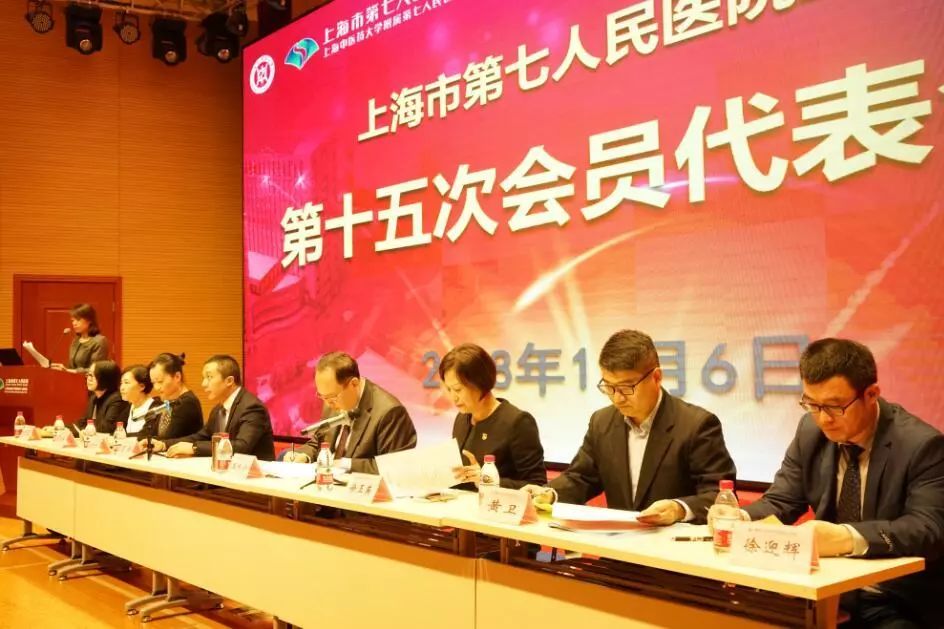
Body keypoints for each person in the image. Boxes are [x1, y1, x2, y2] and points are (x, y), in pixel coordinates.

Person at [712, 338, 944, 628]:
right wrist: (739, 518)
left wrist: (845, 537)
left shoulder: (921, 445)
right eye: (811, 404)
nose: (823, 419)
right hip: (821, 590)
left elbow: (928, 529)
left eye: (834, 407)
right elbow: (783, 499)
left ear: (871, 394)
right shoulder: (810, 430)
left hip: (890, 598)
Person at [523, 329, 736, 526]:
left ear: (656, 377)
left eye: (626, 387)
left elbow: (719, 496)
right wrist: (549, 493)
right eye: (609, 387)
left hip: (672, 548)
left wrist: (679, 509)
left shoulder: (696, 425)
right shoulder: (602, 422)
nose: (617, 398)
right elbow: (581, 477)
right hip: (618, 545)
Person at [284, 352, 416, 473]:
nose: (328, 404)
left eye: (332, 397)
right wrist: (304, 456)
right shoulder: (332, 398)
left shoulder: (389, 412)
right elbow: (319, 442)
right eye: (322, 396)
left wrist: (343, 464)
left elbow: (395, 468)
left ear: (354, 384)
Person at [439, 343, 546, 490]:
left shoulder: (518, 422)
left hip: (498, 504)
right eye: (449, 389)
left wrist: (488, 480)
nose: (453, 397)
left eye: (458, 389)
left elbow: (538, 485)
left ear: (480, 382)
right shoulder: (461, 419)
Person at [147, 355, 275, 461]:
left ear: (229, 381)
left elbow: (242, 446)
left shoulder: (252, 407)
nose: (203, 384)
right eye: (204, 378)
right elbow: (202, 436)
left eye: (209, 377)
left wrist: (194, 448)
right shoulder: (218, 409)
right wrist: (164, 444)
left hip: (256, 477)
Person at [146, 353, 204, 439]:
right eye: (153, 383)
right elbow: (150, 433)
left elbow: (169, 438)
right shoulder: (167, 401)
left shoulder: (187, 403)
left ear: (177, 377)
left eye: (160, 381)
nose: (156, 388)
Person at [52, 303, 109, 374]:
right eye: (73, 320)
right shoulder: (76, 340)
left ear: (89, 320)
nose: (74, 323)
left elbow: (96, 369)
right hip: (73, 379)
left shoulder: (99, 341)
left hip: (89, 380)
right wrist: (62, 368)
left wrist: (69, 371)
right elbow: (72, 367)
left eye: (78, 320)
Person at [80, 360, 129, 435]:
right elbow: (83, 422)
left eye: (92, 375)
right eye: (88, 374)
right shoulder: (93, 397)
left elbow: (106, 428)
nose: (89, 379)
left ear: (105, 378)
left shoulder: (117, 399)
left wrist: (86, 430)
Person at [118, 364, 161, 437]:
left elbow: (145, 435)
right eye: (121, 383)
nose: (122, 388)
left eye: (126, 383)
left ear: (142, 386)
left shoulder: (155, 407)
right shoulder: (128, 408)